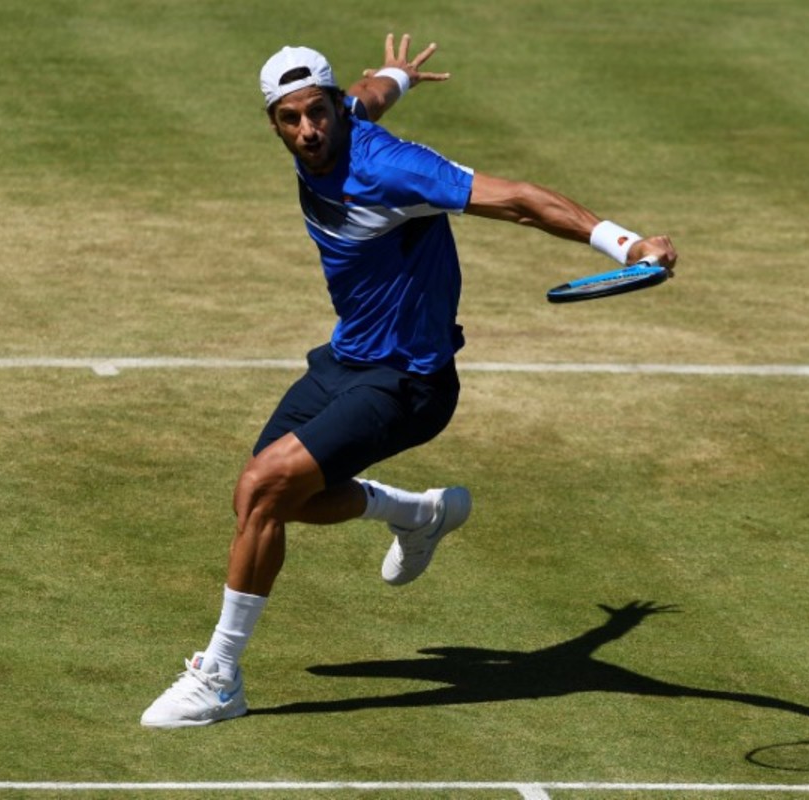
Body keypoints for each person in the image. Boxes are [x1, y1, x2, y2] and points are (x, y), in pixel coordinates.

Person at [140, 33, 677, 728]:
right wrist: (398, 75)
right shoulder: (338, 122)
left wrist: (627, 243)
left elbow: (518, 200)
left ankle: (218, 678)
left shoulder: (393, 169)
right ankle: (416, 514)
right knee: (268, 503)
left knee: (265, 486)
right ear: (274, 122)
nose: (308, 129)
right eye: (291, 118)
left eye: (318, 112)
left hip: (409, 381)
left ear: (334, 107)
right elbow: (370, 95)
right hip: (347, 358)